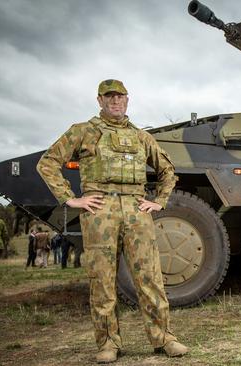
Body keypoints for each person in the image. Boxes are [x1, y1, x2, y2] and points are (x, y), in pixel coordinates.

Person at [36, 79, 187, 363]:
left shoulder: (142, 137)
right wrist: (70, 198)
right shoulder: (83, 131)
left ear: (127, 100)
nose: (115, 101)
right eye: (110, 96)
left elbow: (168, 170)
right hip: (99, 210)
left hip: (136, 210)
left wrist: (159, 201)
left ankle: (164, 337)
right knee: (102, 280)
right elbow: (47, 162)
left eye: (120, 96)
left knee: (150, 278)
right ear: (99, 100)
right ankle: (107, 342)